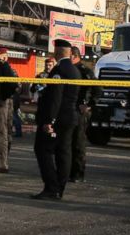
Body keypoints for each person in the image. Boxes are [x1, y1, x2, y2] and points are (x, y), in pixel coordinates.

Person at [32, 39, 81, 200]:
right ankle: (60, 188)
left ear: (57, 52)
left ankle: (51, 187)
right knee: (63, 153)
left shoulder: (59, 70)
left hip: (58, 119)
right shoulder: (75, 70)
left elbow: (56, 98)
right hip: (70, 117)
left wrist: (49, 121)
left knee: (42, 150)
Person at [69, 47, 97, 182]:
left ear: (74, 56)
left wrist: (89, 104)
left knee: (78, 144)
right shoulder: (68, 70)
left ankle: (78, 174)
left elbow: (98, 89)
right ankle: (68, 172)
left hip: (80, 112)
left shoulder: (85, 71)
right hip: (68, 110)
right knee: (67, 143)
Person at [0, 45, 18, 174]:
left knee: (0, 133)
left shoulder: (3, 66)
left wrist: (2, 98)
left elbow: (12, 84)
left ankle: (0, 163)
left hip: (0, 103)